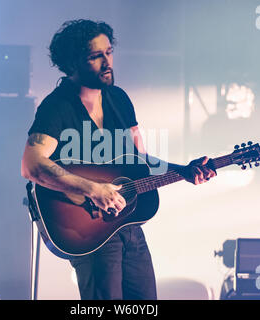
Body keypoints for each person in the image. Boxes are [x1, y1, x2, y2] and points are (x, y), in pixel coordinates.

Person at [21, 19, 216, 300]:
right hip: (89, 227)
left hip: (128, 224)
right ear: (73, 62)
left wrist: (183, 170)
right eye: (95, 56)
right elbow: (32, 165)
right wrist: (93, 189)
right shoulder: (57, 106)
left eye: (109, 52)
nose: (107, 61)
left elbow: (141, 159)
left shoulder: (118, 99)